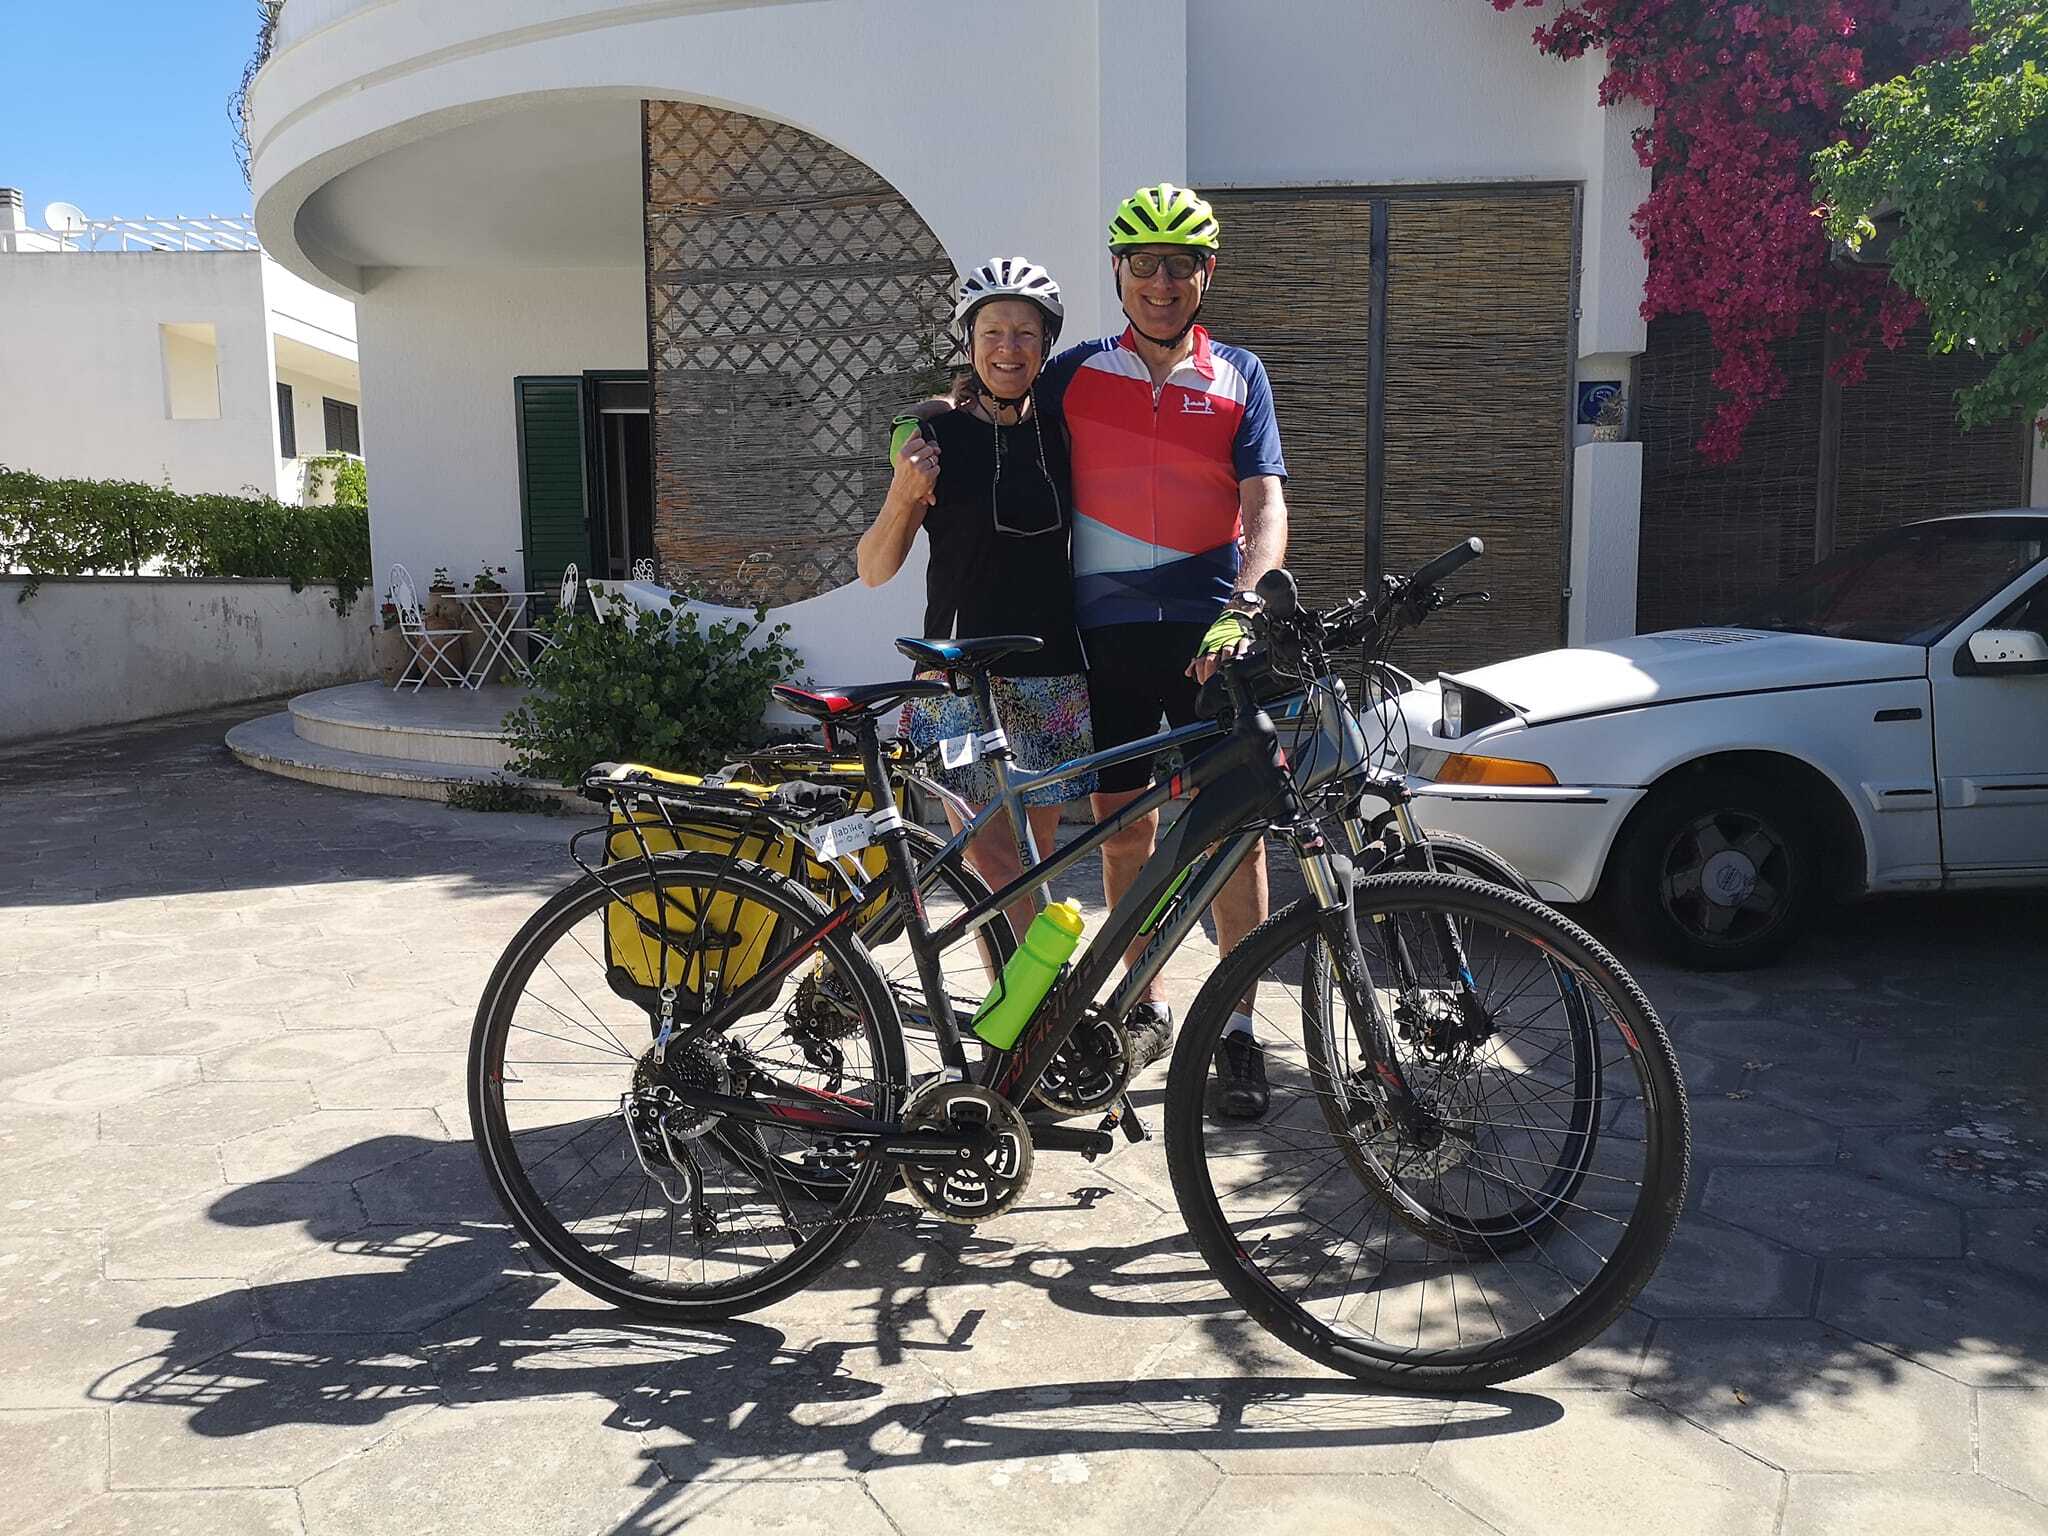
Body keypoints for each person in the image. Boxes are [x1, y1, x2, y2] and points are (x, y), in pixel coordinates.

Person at [1038, 183, 1289, 1119]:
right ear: (1118, 272)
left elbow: (1265, 506)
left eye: (1180, 264)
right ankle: (1141, 1003)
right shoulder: (1073, 374)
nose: (1161, 281)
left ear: (1205, 274)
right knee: (1124, 831)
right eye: (1143, 263)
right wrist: (922, 423)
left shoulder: (1240, 376)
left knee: (1233, 835)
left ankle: (1237, 1027)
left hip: (1209, 642)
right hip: (1106, 640)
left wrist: (1247, 601)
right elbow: (987, 403)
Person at [856, 257, 1094, 941]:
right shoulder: (937, 441)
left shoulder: (1064, 432)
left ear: (1045, 344)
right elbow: (873, 569)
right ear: (969, 342)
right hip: (959, 680)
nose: (1008, 348)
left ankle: (1023, 1000)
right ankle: (1036, 991)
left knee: (1033, 859)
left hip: (1051, 674)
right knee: (992, 861)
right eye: (992, 332)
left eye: (1025, 333)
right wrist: (903, 491)